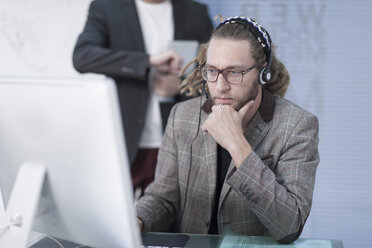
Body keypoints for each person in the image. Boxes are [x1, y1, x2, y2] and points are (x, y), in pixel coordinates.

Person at [135, 16, 319, 244]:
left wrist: (237, 144)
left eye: (234, 72)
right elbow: (163, 199)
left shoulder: (297, 125)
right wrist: (137, 219)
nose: (220, 85)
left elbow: (289, 226)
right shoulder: (182, 116)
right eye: (212, 71)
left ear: (263, 73)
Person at [72, 0, 213, 195]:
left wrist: (182, 86)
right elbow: (82, 56)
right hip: (123, 141)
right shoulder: (106, 7)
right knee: (114, 218)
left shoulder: (195, 11)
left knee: (167, 220)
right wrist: (146, 62)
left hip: (177, 144)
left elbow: (215, 72)